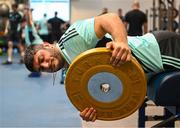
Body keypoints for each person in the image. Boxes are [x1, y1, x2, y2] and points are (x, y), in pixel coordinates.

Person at [24, 13, 180, 122]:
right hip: (151, 73)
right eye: (42, 68)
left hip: (161, 51)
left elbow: (109, 18)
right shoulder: (70, 75)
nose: (46, 65)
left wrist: (120, 42)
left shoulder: (72, 39)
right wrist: (92, 112)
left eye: (42, 58)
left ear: (46, 45)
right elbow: (102, 94)